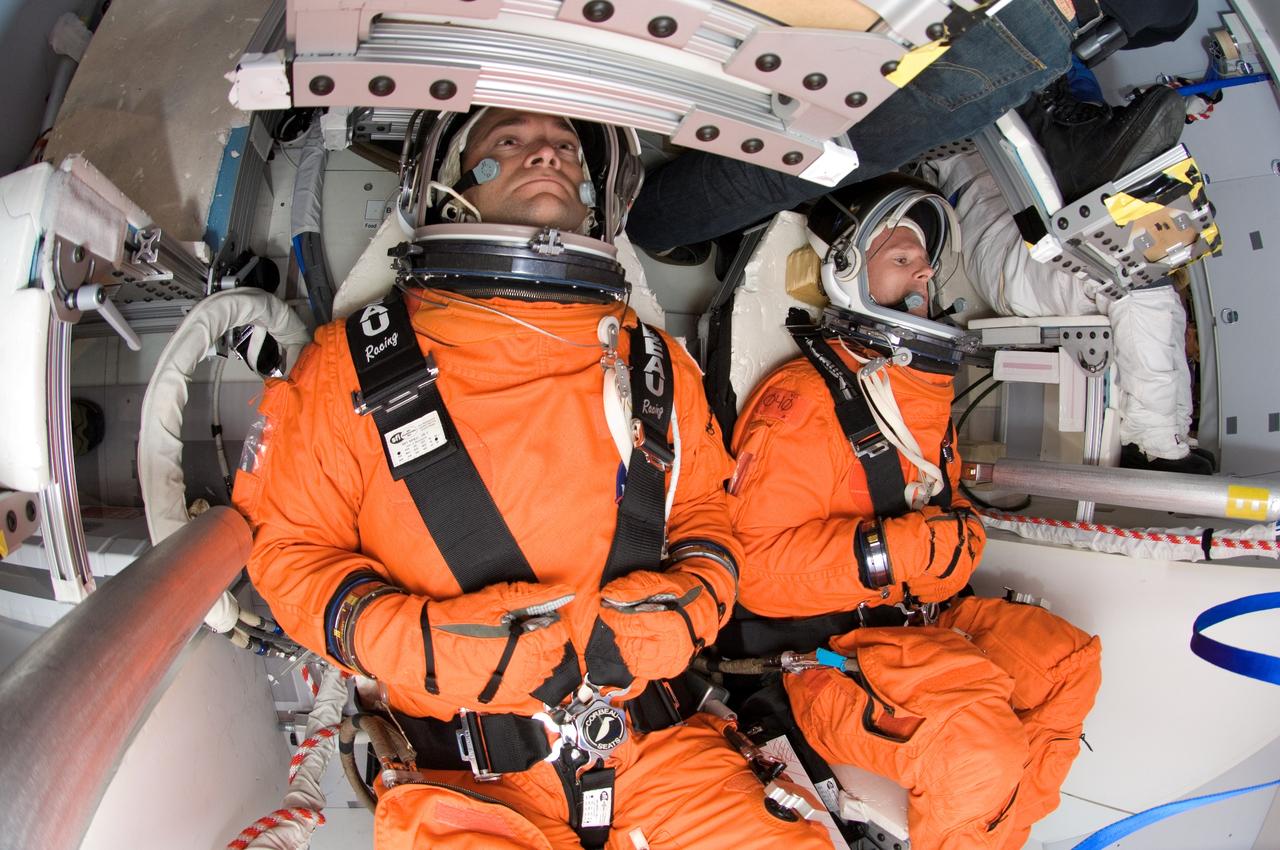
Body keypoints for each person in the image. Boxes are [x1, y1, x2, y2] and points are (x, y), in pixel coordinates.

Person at [233, 106, 834, 849]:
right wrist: (425, 644)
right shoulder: (345, 368)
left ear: (593, 189)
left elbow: (710, 517)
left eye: (563, 145)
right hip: (467, 779)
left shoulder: (657, 366)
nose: (546, 152)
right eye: (509, 141)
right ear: (451, 187)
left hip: (663, 751)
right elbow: (287, 555)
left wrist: (690, 607)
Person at [724, 177, 1103, 850]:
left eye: (925, 258)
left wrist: (953, 546)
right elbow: (755, 575)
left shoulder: (917, 398)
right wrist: (901, 551)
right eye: (902, 253)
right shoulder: (804, 401)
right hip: (823, 656)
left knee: (1064, 663)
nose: (924, 268)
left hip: (913, 628)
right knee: (976, 748)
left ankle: (983, 832)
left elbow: (936, 531)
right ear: (849, 272)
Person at [626, 0, 1198, 253]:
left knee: (744, 39)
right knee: (807, 158)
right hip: (1032, 28)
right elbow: (1158, 23)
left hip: (1031, 27)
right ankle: (641, 222)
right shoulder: (1173, 11)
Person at [929, 147, 1212, 472]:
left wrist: (1179, 431)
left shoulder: (984, 145)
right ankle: (1156, 440)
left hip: (1013, 250)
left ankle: (1165, 437)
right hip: (1004, 255)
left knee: (1150, 288)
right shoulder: (965, 148)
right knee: (1143, 285)